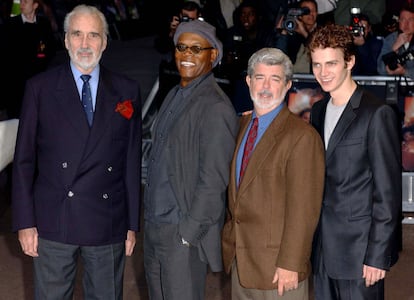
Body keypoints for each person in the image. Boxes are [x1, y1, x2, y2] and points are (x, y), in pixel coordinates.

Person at [11, 4, 141, 299]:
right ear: (66, 39)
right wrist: (24, 222)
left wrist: (132, 224)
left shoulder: (127, 90)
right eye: (77, 34)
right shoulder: (39, 88)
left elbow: (131, 161)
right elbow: (24, 162)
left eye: (93, 35)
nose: (85, 44)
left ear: (105, 42)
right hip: (53, 220)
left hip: (107, 220)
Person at [143, 19, 239, 300]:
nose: (186, 55)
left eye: (196, 49)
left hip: (180, 233)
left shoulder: (216, 106)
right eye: (181, 47)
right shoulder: (174, 93)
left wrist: (188, 233)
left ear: (213, 55)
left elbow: (214, 180)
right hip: (155, 227)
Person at [221, 47, 325, 299]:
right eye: (259, 77)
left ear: (288, 84)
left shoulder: (301, 137)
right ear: (248, 81)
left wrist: (291, 262)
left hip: (279, 269)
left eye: (275, 79)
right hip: (240, 261)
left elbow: (304, 208)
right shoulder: (241, 125)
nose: (266, 86)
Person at [308, 24, 402, 300]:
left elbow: (388, 193)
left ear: (349, 61)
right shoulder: (318, 110)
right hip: (323, 251)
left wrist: (377, 255)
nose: (322, 73)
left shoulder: (376, 113)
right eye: (316, 65)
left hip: (360, 253)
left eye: (330, 64)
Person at [2, 0, 57, 119]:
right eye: (21, 2)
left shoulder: (43, 24)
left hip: (39, 79)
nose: (22, 5)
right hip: (17, 83)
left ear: (35, 5)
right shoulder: (10, 25)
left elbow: (50, 49)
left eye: (25, 2)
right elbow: (6, 54)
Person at [377, 2, 414, 79]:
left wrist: (405, 72)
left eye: (410, 20)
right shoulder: (391, 39)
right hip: (395, 86)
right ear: (399, 22)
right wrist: (394, 48)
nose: (406, 24)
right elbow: (381, 69)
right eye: (403, 20)